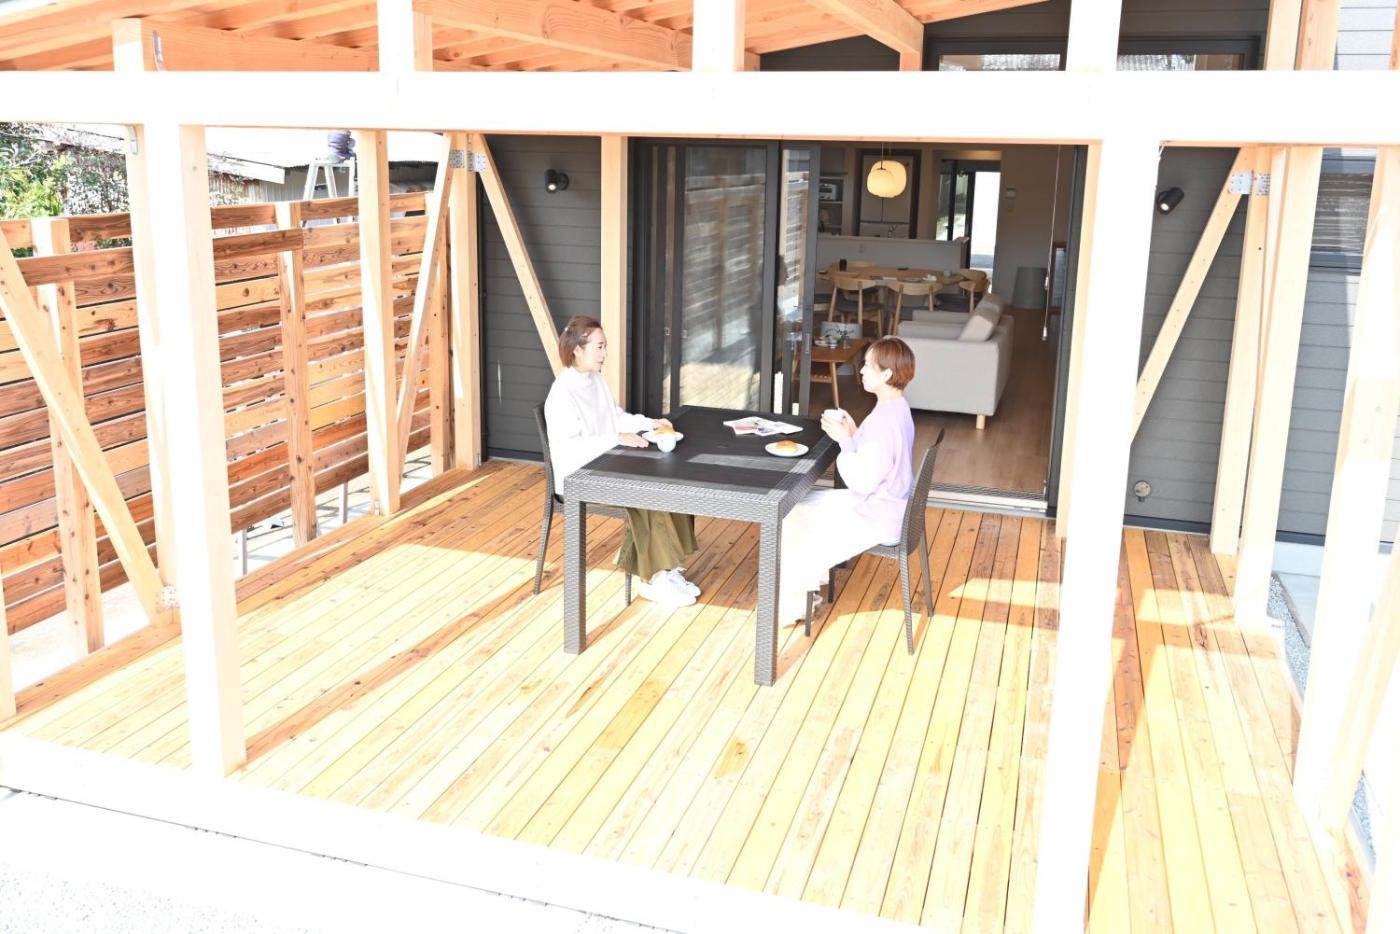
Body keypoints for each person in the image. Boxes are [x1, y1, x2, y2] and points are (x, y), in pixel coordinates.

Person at [544, 316, 701, 607]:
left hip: (607, 464)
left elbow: (616, 417)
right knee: (645, 493)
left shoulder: (595, 380)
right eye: (599, 347)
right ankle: (653, 580)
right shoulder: (562, 393)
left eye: (605, 346)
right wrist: (616, 438)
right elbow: (571, 447)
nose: (605, 353)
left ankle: (667, 569)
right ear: (577, 349)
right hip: (579, 477)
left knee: (667, 484)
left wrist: (649, 423)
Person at [777, 337, 917, 627]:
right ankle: (803, 591)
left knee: (792, 514)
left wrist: (844, 441)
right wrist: (854, 434)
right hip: (888, 505)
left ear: (886, 374)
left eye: (867, 366)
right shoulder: (897, 407)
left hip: (875, 514)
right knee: (796, 507)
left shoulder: (883, 422)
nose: (861, 371)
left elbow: (860, 482)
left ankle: (795, 604)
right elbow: (877, 462)